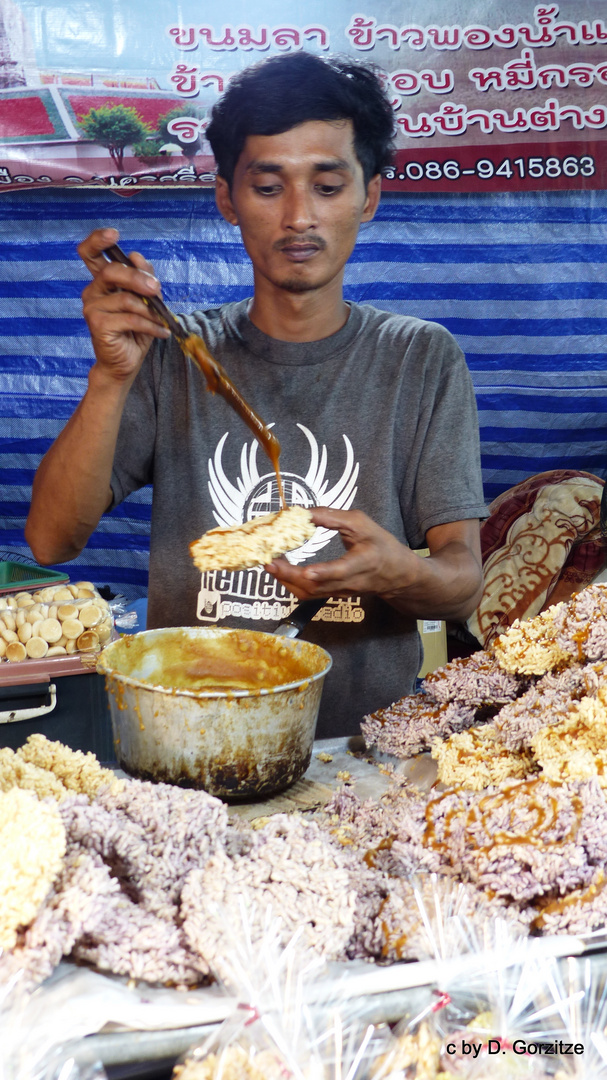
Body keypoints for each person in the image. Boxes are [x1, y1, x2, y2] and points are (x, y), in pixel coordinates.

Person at [25, 52, 487, 738]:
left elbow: (461, 580)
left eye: (327, 185)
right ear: (226, 199)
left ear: (369, 196)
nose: (299, 217)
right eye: (268, 187)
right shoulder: (175, 355)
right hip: (188, 742)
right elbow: (51, 540)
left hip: (361, 749)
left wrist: (394, 572)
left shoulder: (419, 358)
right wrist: (111, 377)